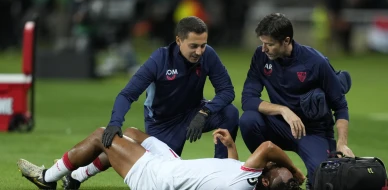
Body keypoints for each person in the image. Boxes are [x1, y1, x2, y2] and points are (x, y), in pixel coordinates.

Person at [61, 16, 239, 188]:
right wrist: (115, 122)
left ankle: (220, 174)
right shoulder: (159, 59)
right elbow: (127, 94)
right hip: (162, 124)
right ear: (178, 40)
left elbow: (227, 91)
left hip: (193, 112)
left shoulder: (208, 55)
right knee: (159, 173)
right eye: (194, 46)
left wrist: (204, 112)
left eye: (203, 45)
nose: (200, 51)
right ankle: (79, 175)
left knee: (229, 113)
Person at [239, 13, 355, 189]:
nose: (264, 49)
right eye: (262, 43)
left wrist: (342, 143)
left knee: (322, 180)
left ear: (286, 41)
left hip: (314, 132)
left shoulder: (316, 62)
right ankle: (272, 170)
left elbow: (340, 107)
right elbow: (248, 99)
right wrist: (284, 110)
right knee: (249, 120)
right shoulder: (261, 56)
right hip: (281, 125)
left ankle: (314, 172)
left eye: (269, 44)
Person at [17, 128, 306, 190]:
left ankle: (47, 179)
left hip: (155, 177)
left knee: (101, 137)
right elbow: (230, 172)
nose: (277, 165)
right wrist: (231, 147)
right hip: (171, 167)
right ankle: (76, 178)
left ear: (265, 180)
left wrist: (294, 168)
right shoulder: (248, 181)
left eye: (278, 170)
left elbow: (268, 146)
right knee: (131, 135)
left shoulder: (250, 178)